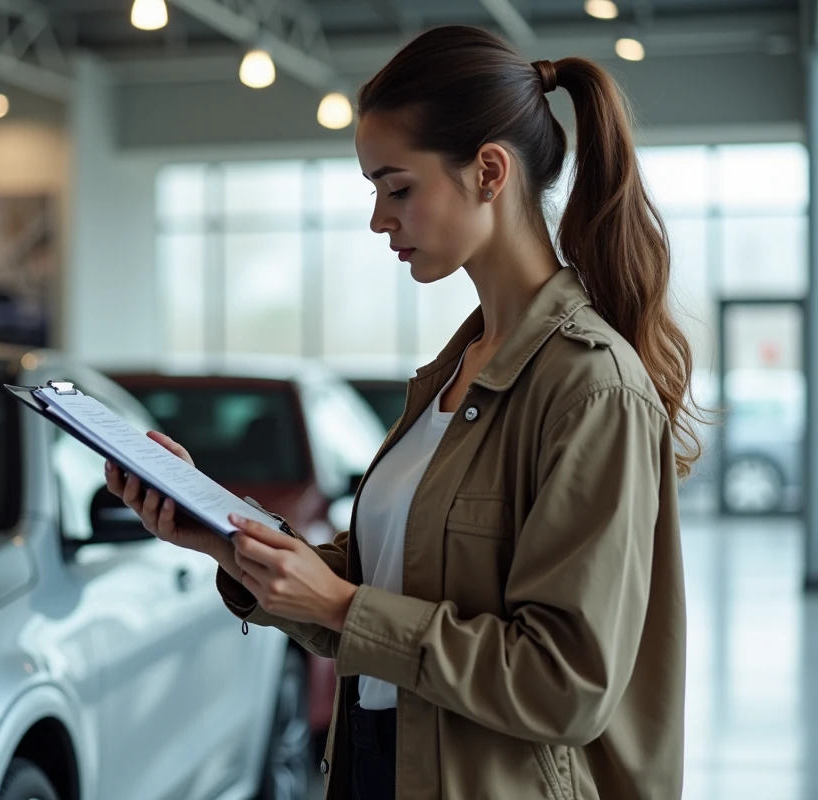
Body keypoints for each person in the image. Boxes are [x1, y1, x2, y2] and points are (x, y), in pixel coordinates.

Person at [104, 24, 697, 800]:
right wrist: (225, 536)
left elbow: (566, 683)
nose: (379, 220)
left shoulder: (591, 388)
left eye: (397, 187)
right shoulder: (456, 368)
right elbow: (388, 587)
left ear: (488, 171)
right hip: (385, 765)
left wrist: (346, 607)